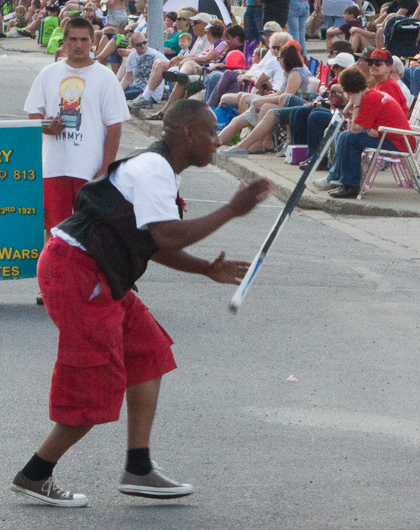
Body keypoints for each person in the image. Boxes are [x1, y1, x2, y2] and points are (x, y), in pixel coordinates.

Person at [8, 99, 272, 508]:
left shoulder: (161, 171)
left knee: (149, 350)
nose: (217, 141)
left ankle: (138, 467)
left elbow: (150, 242)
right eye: (210, 132)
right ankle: (36, 473)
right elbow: (167, 236)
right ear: (186, 134)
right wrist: (232, 210)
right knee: (94, 384)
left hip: (95, 272)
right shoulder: (153, 171)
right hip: (77, 270)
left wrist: (204, 269)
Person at [24, 17, 130, 245]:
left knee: (93, 233)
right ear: (64, 42)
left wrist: (106, 168)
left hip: (89, 169)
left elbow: (115, 127)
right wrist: (47, 128)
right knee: (55, 233)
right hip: (54, 166)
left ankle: (91, 280)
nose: (79, 45)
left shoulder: (106, 78)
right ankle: (54, 278)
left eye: (84, 39)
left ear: (93, 42)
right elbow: (34, 118)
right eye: (73, 39)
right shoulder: (48, 74)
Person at [323, 66, 416, 199]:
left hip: (398, 142)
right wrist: (352, 101)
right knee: (346, 136)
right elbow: (346, 115)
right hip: (392, 137)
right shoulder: (371, 93)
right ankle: (345, 181)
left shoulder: (369, 99)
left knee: (349, 138)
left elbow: (355, 129)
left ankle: (351, 185)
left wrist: (356, 104)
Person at [218, 44, 315, 155]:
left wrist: (263, 100)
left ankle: (256, 143)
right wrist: (262, 99)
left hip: (293, 108)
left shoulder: (296, 73)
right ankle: (214, 144)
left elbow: (287, 98)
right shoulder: (289, 72)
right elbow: (279, 93)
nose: (278, 62)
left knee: (265, 107)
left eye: (279, 59)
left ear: (284, 59)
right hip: (282, 103)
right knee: (241, 110)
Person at [121, 32, 167, 103]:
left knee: (121, 96)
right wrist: (118, 89)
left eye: (144, 42)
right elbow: (127, 78)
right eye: (138, 45)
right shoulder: (131, 56)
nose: (142, 46)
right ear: (133, 46)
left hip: (150, 94)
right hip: (136, 89)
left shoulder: (156, 55)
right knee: (116, 94)